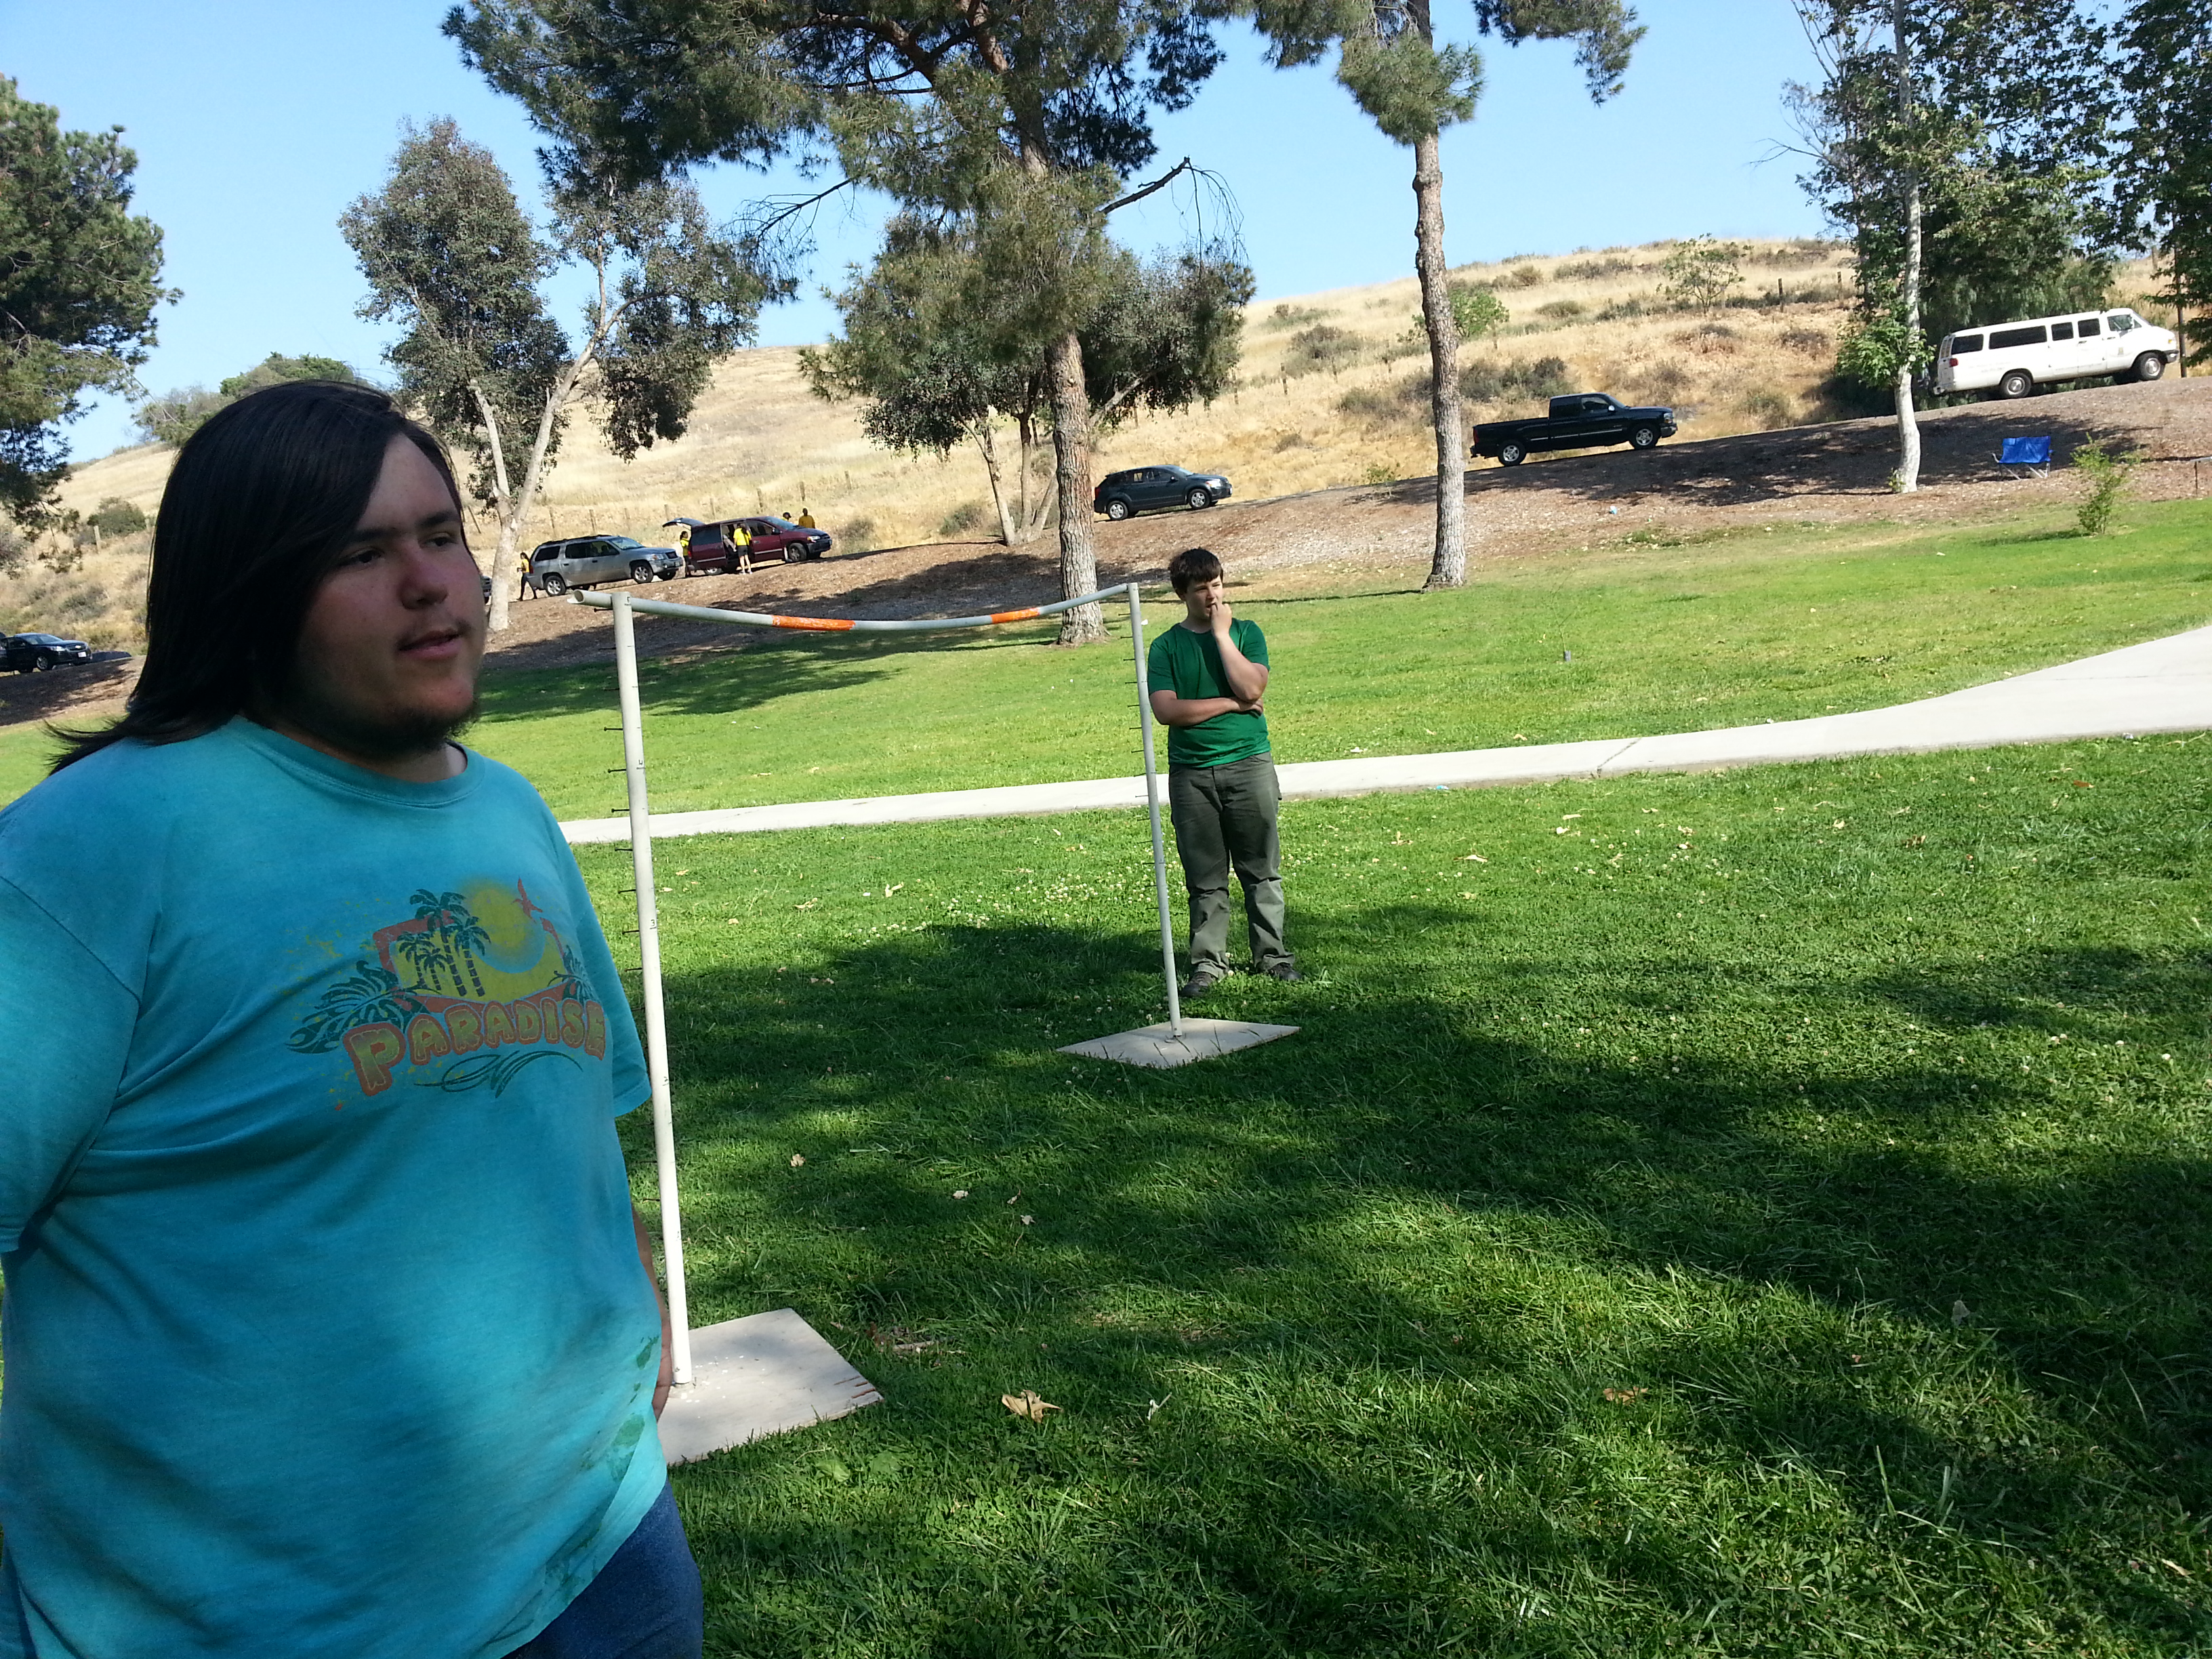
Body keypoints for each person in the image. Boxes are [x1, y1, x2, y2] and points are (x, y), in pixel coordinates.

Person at [0, 381, 703, 1659]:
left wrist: (635, 1297)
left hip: (602, 1540)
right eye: (360, 554)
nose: (433, 583)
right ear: (246, 592)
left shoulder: (507, 810)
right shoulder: (84, 856)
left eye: (441, 534)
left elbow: (572, 1110)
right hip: (247, 1621)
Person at [1146, 546, 1299, 997]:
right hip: (1192, 775)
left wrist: (1221, 636)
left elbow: (1252, 686)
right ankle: (1208, 964)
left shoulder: (1247, 633)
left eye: (1216, 585)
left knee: (1261, 871)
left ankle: (1272, 957)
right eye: (1201, 589)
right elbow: (1167, 711)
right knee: (1205, 879)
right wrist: (1232, 705)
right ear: (1182, 594)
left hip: (1249, 765)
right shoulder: (1166, 647)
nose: (1212, 596)